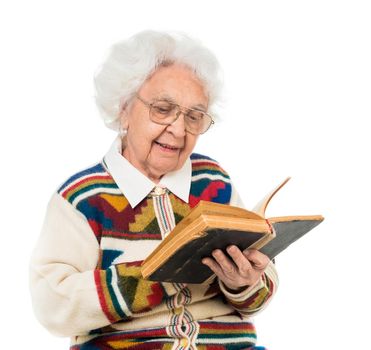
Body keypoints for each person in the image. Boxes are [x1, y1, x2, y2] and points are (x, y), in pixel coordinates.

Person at [29, 30, 278, 350]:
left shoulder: (214, 182)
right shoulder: (82, 198)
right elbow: (52, 304)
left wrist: (245, 282)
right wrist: (151, 278)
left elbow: (260, 292)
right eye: (163, 109)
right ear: (124, 108)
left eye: (194, 116)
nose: (178, 128)